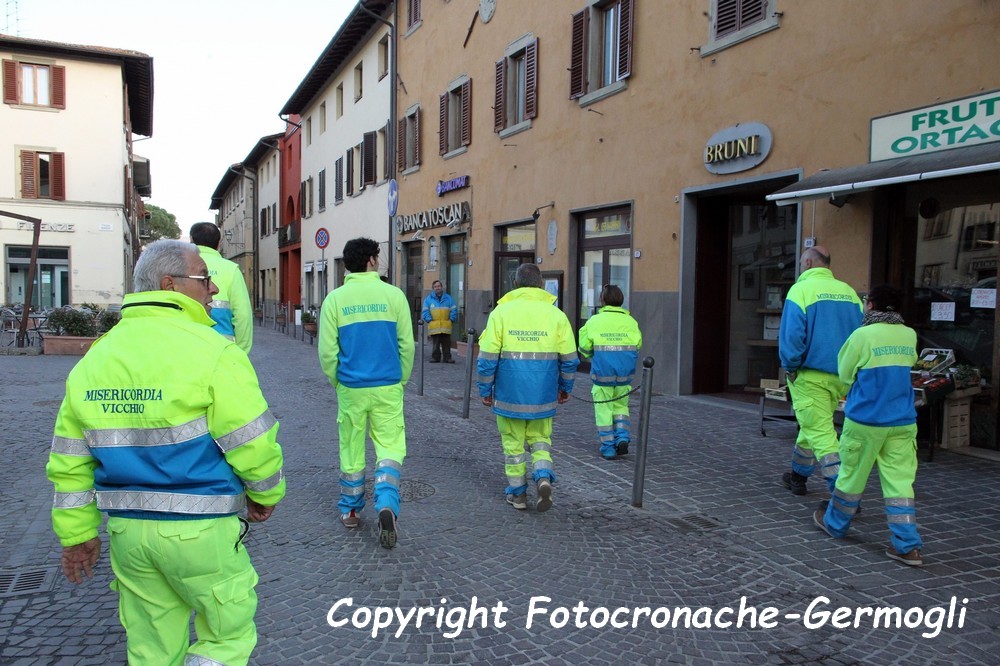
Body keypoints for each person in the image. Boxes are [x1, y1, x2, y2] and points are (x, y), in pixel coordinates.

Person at [46, 239, 286, 665]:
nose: (213, 289)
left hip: (128, 535)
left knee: (152, 650)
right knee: (226, 638)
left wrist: (77, 534)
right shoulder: (213, 351)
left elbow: (70, 459)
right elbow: (253, 442)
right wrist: (265, 495)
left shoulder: (97, 356)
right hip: (201, 531)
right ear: (170, 284)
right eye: (204, 278)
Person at [813, 284, 924, 566]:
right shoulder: (909, 334)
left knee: (851, 477)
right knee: (900, 484)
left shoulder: (862, 335)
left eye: (865, 301)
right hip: (902, 420)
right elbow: (909, 364)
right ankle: (908, 545)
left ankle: (835, 524)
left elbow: (845, 372)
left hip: (866, 420)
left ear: (871, 305)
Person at [319, 238, 413, 548]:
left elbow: (327, 352)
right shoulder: (394, 296)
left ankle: (351, 510)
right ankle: (386, 502)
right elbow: (406, 346)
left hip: (352, 387)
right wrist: (401, 379)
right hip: (387, 385)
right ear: (371, 261)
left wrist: (338, 381)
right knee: (389, 446)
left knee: (351, 447)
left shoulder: (335, 299)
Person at [477, 262, 579, 512]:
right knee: (541, 440)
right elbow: (569, 359)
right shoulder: (557, 315)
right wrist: (565, 387)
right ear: (542, 284)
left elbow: (487, 359)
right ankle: (543, 475)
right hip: (543, 395)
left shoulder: (501, 313)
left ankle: (519, 495)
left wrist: (485, 390)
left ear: (515, 284)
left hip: (509, 395)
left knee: (513, 446)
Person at [779, 246, 863, 496]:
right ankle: (797, 476)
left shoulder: (801, 290)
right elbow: (861, 335)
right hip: (842, 377)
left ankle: (842, 495)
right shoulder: (849, 293)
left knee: (821, 433)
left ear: (807, 263)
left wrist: (790, 367)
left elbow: (792, 336)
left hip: (809, 375)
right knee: (815, 425)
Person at [577, 284, 642, 460]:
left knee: (604, 410)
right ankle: (622, 437)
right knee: (621, 407)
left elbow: (584, 348)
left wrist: (593, 354)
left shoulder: (594, 322)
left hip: (602, 375)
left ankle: (608, 447)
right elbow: (638, 345)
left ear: (602, 300)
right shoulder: (631, 322)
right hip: (624, 375)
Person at [190, 221, 254, 353]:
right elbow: (243, 315)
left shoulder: (181, 267)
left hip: (189, 347)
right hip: (223, 350)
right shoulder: (231, 269)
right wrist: (241, 352)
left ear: (191, 240)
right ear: (219, 243)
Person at [421, 279, 458, 363]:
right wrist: (429, 320)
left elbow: (454, 309)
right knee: (435, 344)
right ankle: (435, 357)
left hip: (446, 325)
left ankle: (447, 358)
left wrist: (451, 319)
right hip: (434, 325)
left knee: (446, 344)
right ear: (433, 288)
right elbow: (425, 311)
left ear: (441, 287)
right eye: (435, 286)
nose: (437, 288)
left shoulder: (449, 298)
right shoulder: (428, 299)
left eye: (438, 286)